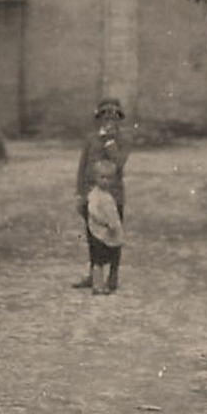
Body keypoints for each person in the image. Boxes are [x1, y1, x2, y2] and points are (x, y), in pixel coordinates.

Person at [72, 97, 132, 292]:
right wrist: (80, 193)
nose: (108, 121)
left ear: (119, 119)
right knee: (93, 235)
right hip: (92, 195)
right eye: (104, 116)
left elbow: (120, 163)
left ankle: (113, 275)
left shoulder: (123, 140)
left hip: (113, 196)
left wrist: (110, 143)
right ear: (98, 118)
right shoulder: (91, 139)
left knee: (114, 233)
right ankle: (94, 273)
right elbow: (82, 167)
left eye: (113, 117)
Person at [81, 158, 125, 296]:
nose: (105, 181)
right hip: (99, 232)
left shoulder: (107, 195)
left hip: (109, 231)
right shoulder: (95, 195)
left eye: (109, 178)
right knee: (98, 261)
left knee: (112, 254)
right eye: (102, 177)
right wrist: (106, 222)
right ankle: (97, 285)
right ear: (96, 178)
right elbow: (93, 212)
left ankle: (109, 280)